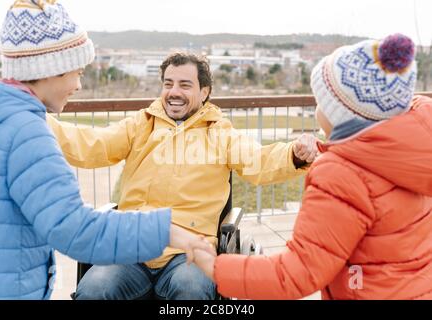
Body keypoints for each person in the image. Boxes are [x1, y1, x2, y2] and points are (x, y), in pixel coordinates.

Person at [0, 0, 214, 300]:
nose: (78, 84)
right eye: (77, 72)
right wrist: (166, 231)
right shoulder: (27, 133)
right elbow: (74, 230)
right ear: (51, 69)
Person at [47, 52, 319, 300]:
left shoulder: (220, 133)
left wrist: (294, 154)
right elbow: (93, 143)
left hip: (188, 251)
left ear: (204, 92)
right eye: (168, 84)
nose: (173, 92)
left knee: (192, 290)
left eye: (184, 85)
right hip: (133, 245)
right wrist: (39, 121)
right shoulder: (142, 125)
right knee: (95, 290)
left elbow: (259, 161)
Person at [193, 33, 432, 300]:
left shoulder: (341, 175)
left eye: (321, 102)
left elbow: (298, 273)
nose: (316, 109)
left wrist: (216, 268)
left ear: (342, 115)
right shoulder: (411, 155)